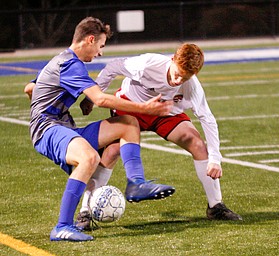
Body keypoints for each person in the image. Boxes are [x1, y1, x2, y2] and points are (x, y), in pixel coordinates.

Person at [27, 16, 175, 242]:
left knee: (128, 123)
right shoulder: (70, 64)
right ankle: (62, 226)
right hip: (47, 128)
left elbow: (29, 88)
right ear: (90, 39)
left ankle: (136, 183)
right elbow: (102, 100)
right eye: (100, 46)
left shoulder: (62, 60)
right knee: (89, 158)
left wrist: (43, 98)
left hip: (62, 126)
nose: (100, 53)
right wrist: (145, 107)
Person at [76, 43, 242, 230]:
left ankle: (215, 206)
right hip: (132, 107)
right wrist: (92, 97)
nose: (179, 81)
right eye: (177, 73)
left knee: (197, 144)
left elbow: (207, 118)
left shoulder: (192, 85)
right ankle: (85, 211)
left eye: (185, 77)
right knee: (112, 152)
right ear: (172, 59)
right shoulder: (148, 64)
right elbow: (114, 66)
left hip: (165, 113)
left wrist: (215, 159)